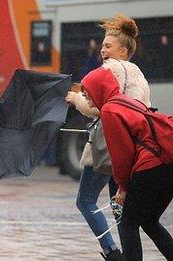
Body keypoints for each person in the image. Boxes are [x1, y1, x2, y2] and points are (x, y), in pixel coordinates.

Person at [65, 14, 145, 260]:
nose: (102, 50)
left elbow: (100, 107)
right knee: (119, 206)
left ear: (123, 50)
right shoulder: (138, 73)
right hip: (131, 146)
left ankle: (111, 252)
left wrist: (76, 99)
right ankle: (131, 256)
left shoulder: (110, 69)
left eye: (108, 46)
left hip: (107, 145)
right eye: (102, 46)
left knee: (85, 200)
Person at [81, 65, 173, 261]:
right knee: (148, 220)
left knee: (127, 223)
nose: (87, 98)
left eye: (87, 92)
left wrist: (122, 186)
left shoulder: (109, 111)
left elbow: (123, 155)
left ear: (98, 88)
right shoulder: (128, 102)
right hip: (167, 163)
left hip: (150, 168)